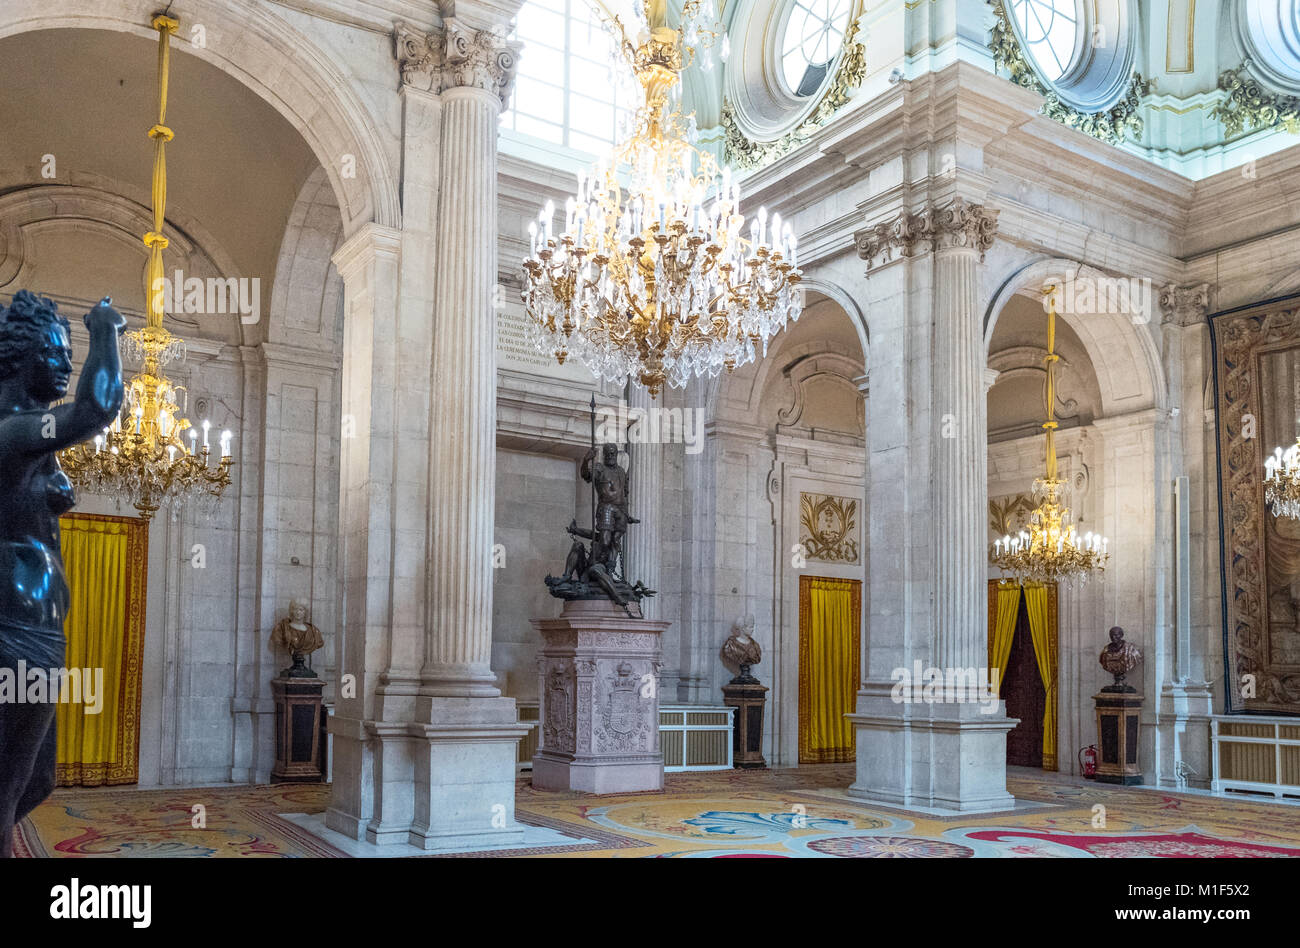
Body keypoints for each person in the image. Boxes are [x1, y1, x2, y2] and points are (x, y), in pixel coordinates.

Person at [0, 291, 125, 858]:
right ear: (20, 355)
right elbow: (93, 411)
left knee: (38, 782)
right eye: (54, 349)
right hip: (14, 634)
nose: (64, 362)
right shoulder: (11, 431)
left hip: (37, 634)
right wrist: (104, 330)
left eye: (69, 351)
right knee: (2, 792)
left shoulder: (30, 443)